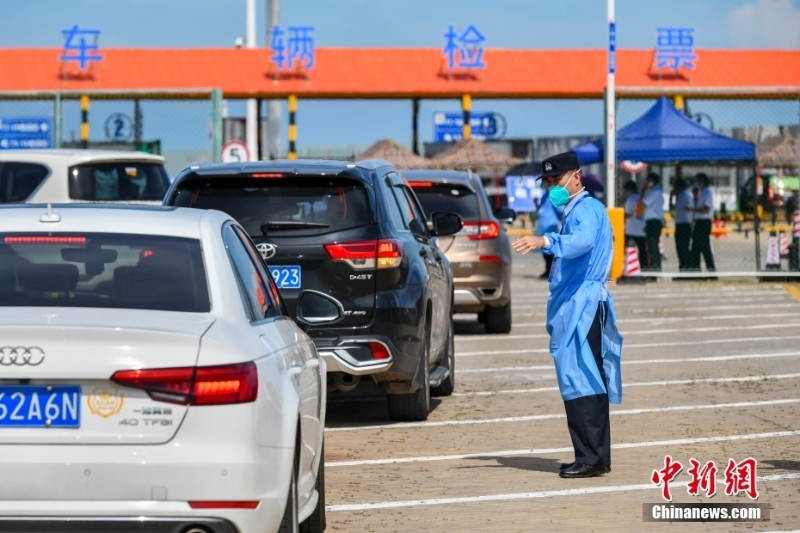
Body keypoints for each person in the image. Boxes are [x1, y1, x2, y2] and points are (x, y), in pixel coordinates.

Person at [512, 151, 623, 479]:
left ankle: (590, 457)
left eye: (556, 180)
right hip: (580, 301)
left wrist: (544, 240)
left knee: (581, 377)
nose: (552, 187)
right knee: (585, 375)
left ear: (576, 177)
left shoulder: (585, 210)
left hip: (582, 305)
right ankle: (594, 455)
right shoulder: (579, 209)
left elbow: (582, 242)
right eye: (547, 182)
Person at [534, 189, 564, 279]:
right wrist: (536, 204)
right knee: (545, 249)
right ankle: (548, 270)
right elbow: (540, 208)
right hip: (543, 225)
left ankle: (551, 271)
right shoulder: (545, 195)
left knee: (551, 249)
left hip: (551, 225)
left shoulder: (555, 195)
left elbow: (560, 209)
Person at [690, 173, 716, 271]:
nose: (696, 184)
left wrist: (693, 210)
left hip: (704, 222)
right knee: (695, 247)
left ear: (702, 181)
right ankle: (695, 269)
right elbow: (697, 206)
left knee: (705, 247)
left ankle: (711, 270)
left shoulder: (708, 192)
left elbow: (706, 208)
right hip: (698, 222)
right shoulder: (701, 193)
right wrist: (695, 196)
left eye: (697, 181)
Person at [641, 173, 664, 271]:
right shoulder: (657, 192)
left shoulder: (654, 192)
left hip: (653, 221)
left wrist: (644, 190)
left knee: (653, 245)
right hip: (653, 220)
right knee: (652, 245)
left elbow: (643, 202)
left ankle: (655, 267)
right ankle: (655, 266)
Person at [672, 178, 694, 271]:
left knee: (681, 248)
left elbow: (673, 207)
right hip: (686, 225)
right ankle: (685, 267)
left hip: (682, 225)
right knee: (684, 247)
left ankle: (684, 267)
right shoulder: (688, 196)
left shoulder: (682, 196)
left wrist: (671, 196)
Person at [622, 181, 646, 265]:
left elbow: (628, 213)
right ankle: (644, 266)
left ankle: (625, 265)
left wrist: (622, 215)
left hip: (631, 228)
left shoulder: (630, 199)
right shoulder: (642, 198)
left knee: (624, 247)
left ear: (629, 190)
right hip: (642, 227)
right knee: (642, 249)